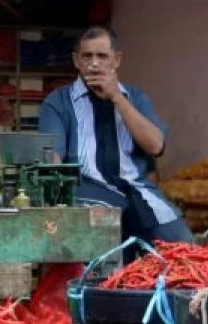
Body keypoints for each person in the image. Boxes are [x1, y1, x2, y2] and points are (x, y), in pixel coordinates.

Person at [38, 27, 193, 247]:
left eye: (102, 56)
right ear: (76, 61)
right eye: (87, 56)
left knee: (184, 249)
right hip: (86, 191)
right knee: (100, 259)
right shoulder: (59, 101)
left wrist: (116, 97)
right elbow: (51, 157)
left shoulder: (135, 97)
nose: (94, 63)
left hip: (136, 191)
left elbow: (156, 146)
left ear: (116, 60)